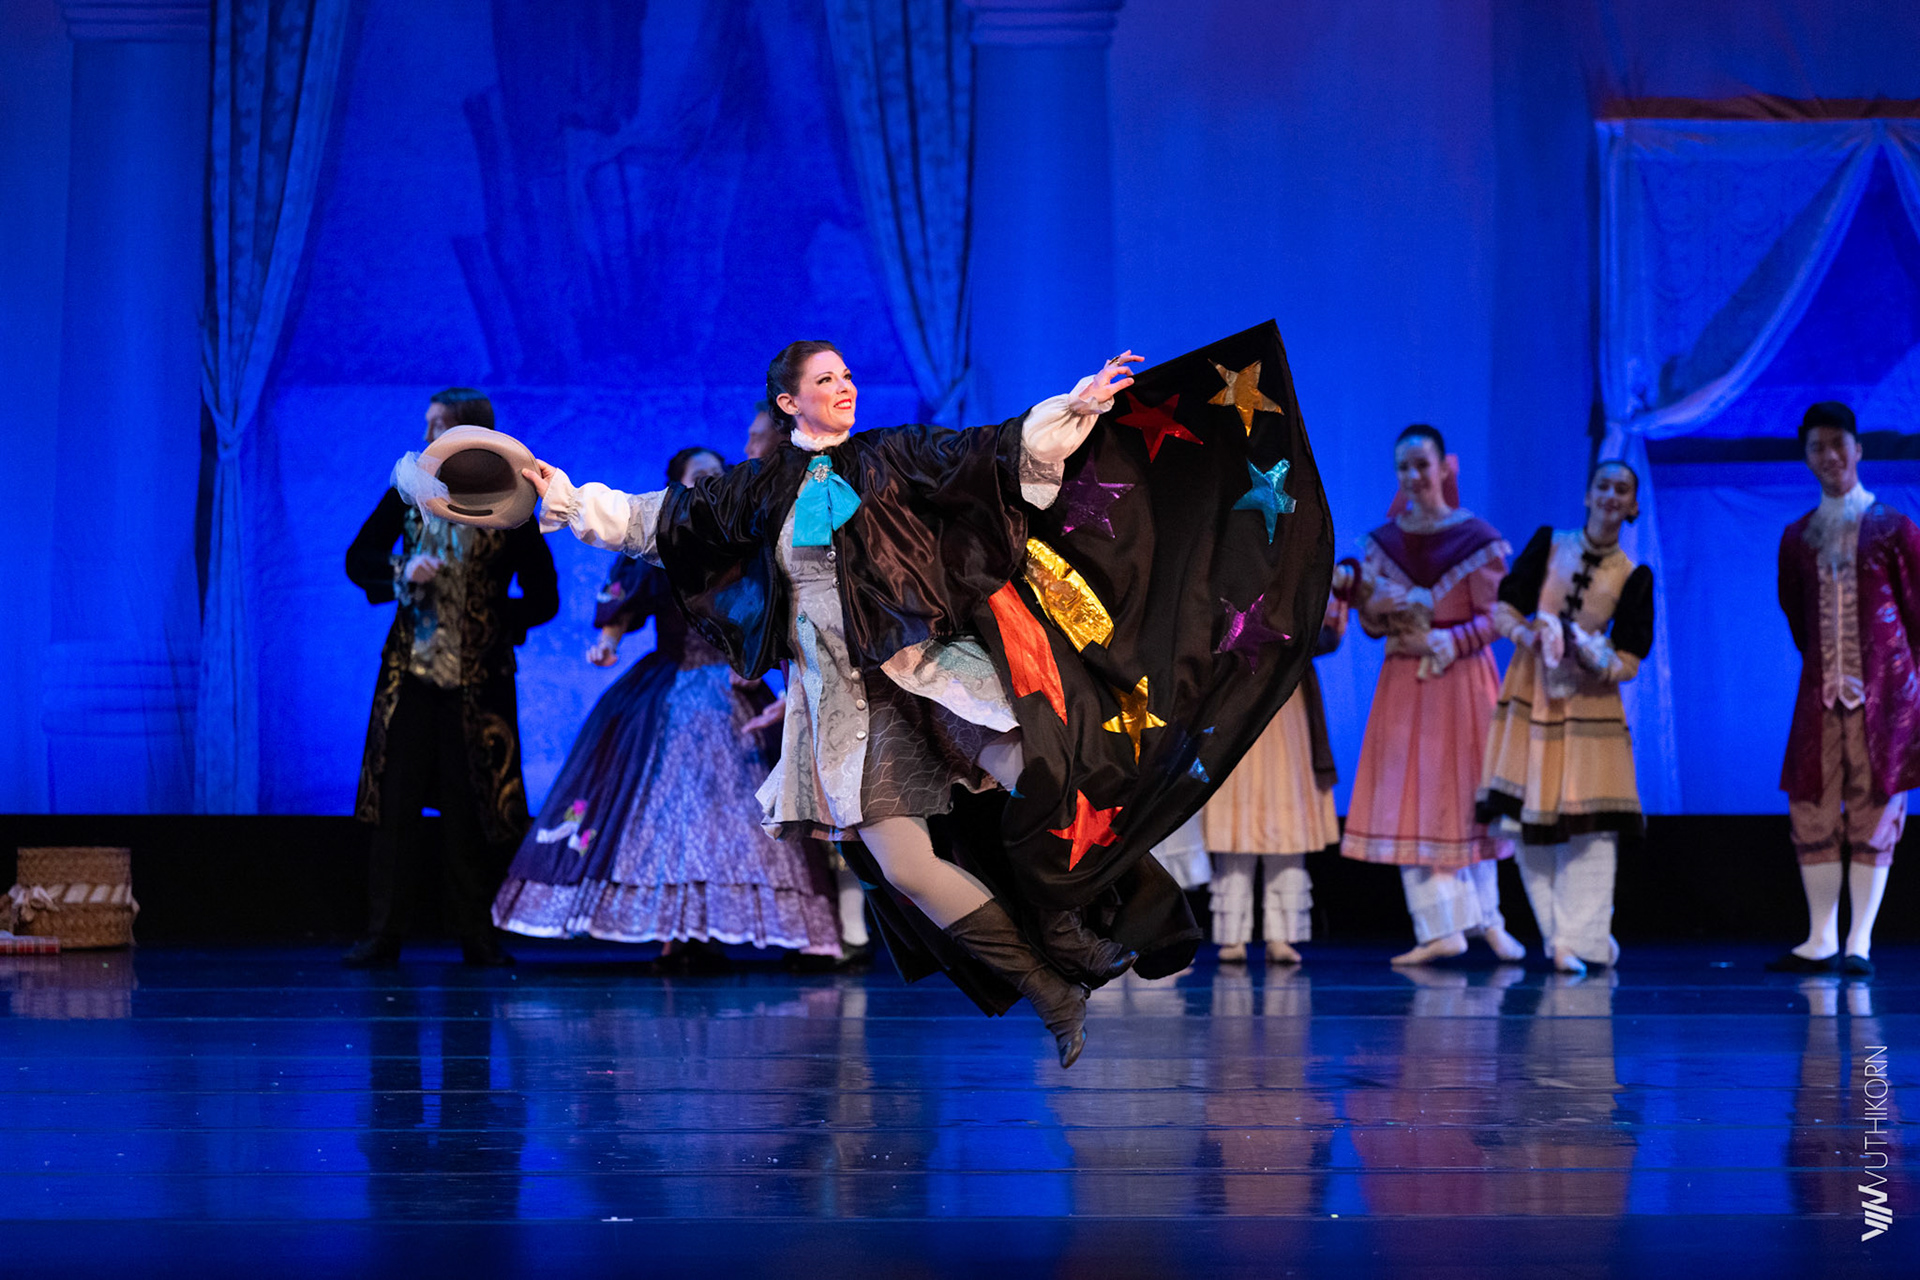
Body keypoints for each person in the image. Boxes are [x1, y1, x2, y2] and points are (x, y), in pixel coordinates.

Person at [518, 328, 1334, 1065]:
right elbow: (658, 520)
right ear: (788, 401)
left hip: (931, 671)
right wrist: (566, 497)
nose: (844, 387)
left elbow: (988, 453)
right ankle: (1049, 993)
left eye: (847, 376)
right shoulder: (757, 490)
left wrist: (1075, 406)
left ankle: (1067, 924)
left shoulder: (891, 454)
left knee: (1049, 776)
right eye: (825, 379)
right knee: (906, 867)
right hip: (846, 700)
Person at [490, 445, 842, 960]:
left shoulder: (745, 537)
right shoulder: (669, 530)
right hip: (672, 684)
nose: (713, 479)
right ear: (677, 482)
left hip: (734, 686)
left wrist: (762, 662)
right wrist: (607, 640)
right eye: (701, 474)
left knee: (738, 806)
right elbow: (629, 589)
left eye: (719, 473)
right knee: (664, 805)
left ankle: (758, 926)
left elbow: (773, 607)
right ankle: (672, 934)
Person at [345, 387, 559, 966]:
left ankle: (477, 934)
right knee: (396, 807)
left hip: (478, 684)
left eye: (438, 425)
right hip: (410, 678)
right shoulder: (408, 491)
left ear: (468, 434)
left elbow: (544, 598)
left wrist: (490, 617)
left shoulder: (511, 504)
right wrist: (402, 569)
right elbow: (358, 559)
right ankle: (384, 933)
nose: (426, 437)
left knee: (473, 810)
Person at [1339, 424, 1526, 966]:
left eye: (1422, 464)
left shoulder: (1477, 539)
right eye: (1404, 467)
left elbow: (1496, 617)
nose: (1413, 475)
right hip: (1406, 681)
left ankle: (1488, 920)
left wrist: (1449, 639)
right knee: (1410, 797)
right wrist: (1374, 608)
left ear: (1445, 467)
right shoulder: (1383, 544)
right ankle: (1439, 927)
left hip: (1461, 677)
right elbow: (1374, 625)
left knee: (1468, 798)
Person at [1477, 461, 1653, 975]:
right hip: (1534, 696)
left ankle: (1583, 938)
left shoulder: (1632, 575)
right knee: (1523, 821)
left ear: (1633, 505)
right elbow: (1506, 608)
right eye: (1603, 485)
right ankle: (1563, 938)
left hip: (1591, 705)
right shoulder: (1551, 543)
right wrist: (1530, 636)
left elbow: (1630, 657)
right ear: (1587, 494)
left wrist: (1598, 659)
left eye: (1622, 489)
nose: (1611, 495)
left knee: (1592, 827)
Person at [1768, 401, 1919, 978]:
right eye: (1817, 447)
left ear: (1858, 449)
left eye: (1838, 444)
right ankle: (1820, 938)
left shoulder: (1894, 528)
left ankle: (1859, 942)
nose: (1830, 456)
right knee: (1810, 804)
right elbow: (1796, 615)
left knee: (1875, 808)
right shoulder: (1797, 537)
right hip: (1821, 696)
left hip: (1884, 697)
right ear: (1806, 458)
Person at [1203, 592, 1347, 965]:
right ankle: (1232, 935)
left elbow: (1324, 638)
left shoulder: (1302, 581)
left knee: (1286, 822)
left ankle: (1281, 935)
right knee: (1236, 825)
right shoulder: (1228, 577)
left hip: (1287, 702)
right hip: (1237, 704)